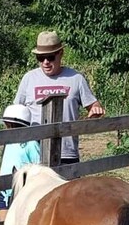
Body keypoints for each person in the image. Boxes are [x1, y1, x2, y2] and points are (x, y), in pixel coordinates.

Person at [13, 31, 105, 164]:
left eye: (50, 57)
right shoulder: (29, 78)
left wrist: (95, 110)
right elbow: (16, 112)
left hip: (66, 153)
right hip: (35, 152)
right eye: (40, 58)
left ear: (61, 53)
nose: (45, 62)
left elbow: (93, 105)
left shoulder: (76, 78)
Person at [0, 104, 40, 225]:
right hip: (5, 189)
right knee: (4, 223)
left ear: (11, 125)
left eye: (7, 125)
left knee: (20, 221)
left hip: (21, 188)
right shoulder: (8, 142)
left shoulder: (31, 144)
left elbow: (37, 164)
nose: (5, 127)